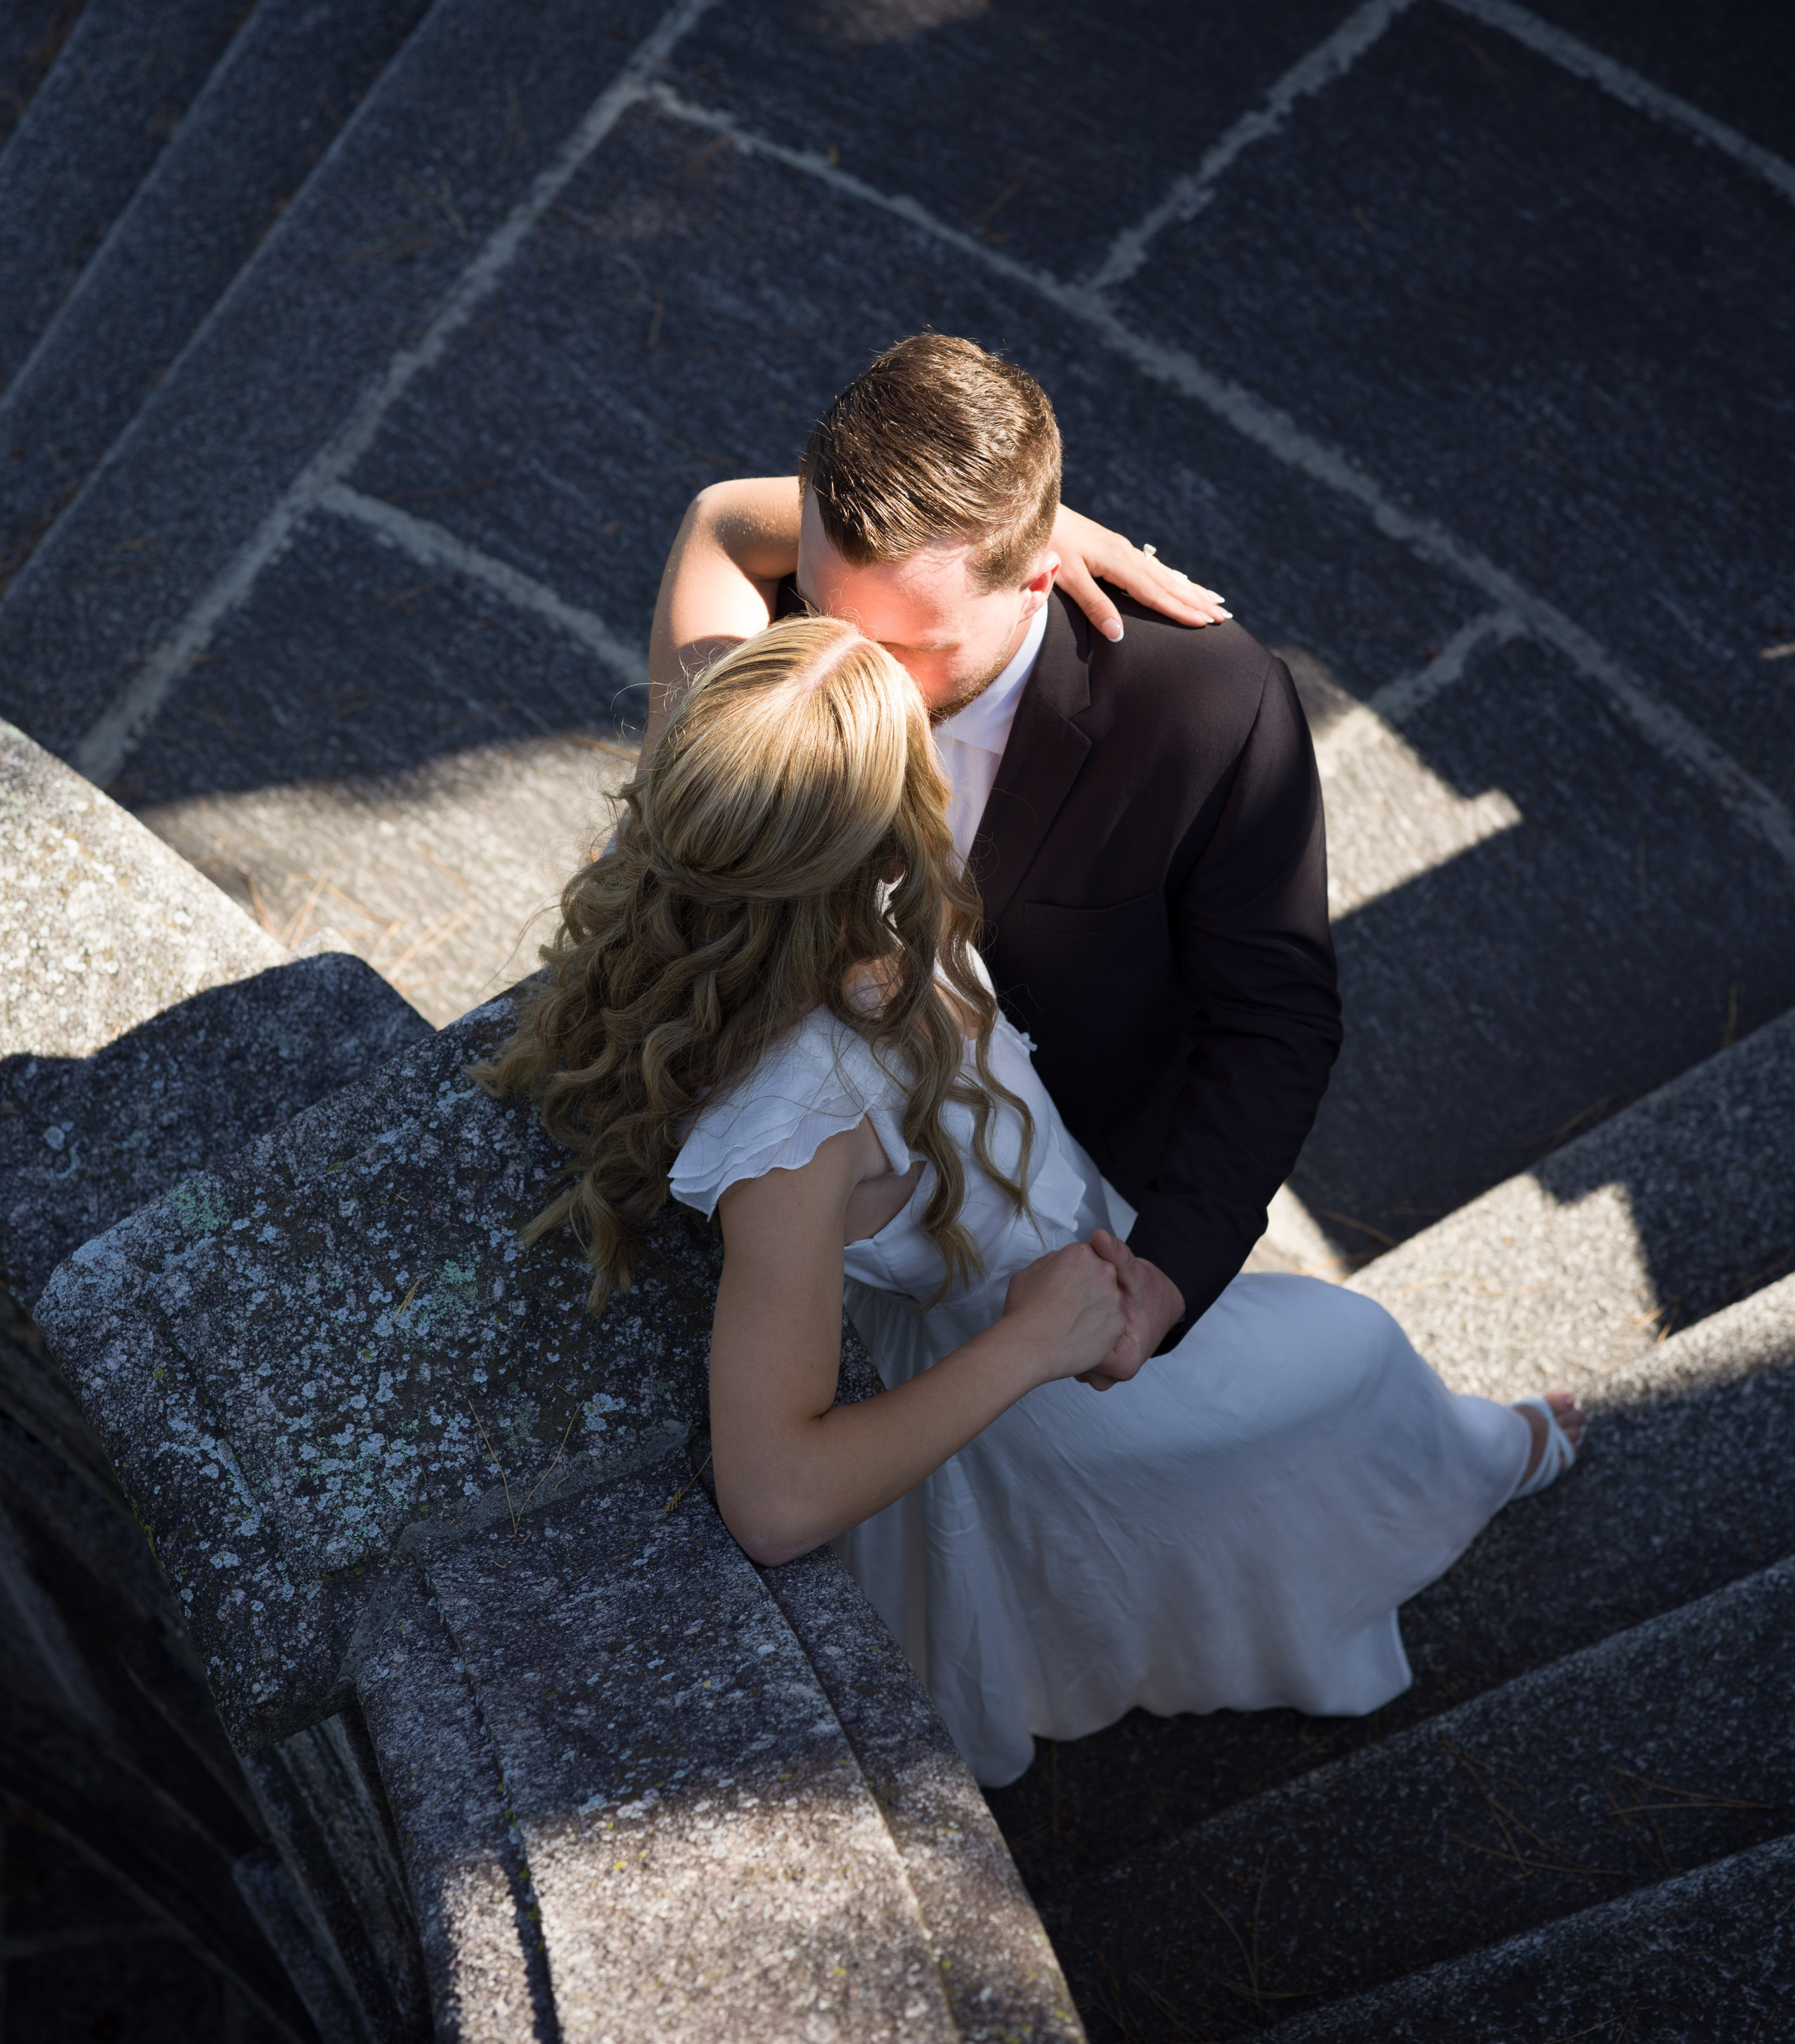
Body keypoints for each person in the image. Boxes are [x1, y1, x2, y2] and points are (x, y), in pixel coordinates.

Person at [482, 618, 1585, 1788]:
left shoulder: (726, 808)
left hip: (1052, 1228)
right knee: (1352, 1356)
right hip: (1026, 1346)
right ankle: (1484, 1460)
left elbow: (720, 519)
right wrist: (1026, 1348)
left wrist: (1037, 531)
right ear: (868, 838)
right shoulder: (797, 1131)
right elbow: (772, 1501)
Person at [639, 330, 1325, 1367]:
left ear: (1041, 575)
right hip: (849, 1195)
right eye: (825, 613)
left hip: (1074, 1197)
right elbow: (722, 524)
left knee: (1322, 1379)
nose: (849, 681)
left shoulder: (1210, 710)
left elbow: (1275, 1018)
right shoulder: (796, 627)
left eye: (913, 649)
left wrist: (1160, 1284)